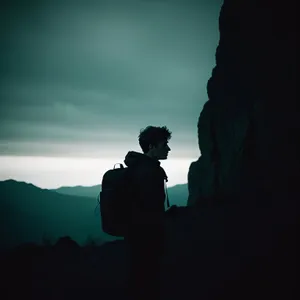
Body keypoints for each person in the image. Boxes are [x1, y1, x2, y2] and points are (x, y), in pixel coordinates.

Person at [123, 125, 172, 300]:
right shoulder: (150, 172)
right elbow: (150, 208)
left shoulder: (137, 168)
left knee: (137, 278)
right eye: (163, 144)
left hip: (135, 234)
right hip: (147, 236)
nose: (168, 148)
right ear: (151, 147)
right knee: (147, 281)